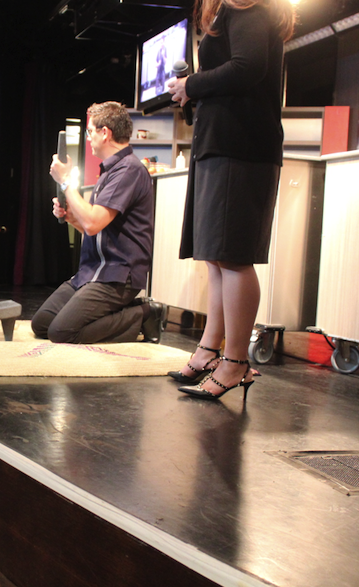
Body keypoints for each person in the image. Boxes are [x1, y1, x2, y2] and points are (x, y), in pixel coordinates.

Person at [167, 0, 294, 400]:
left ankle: (236, 360)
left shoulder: (250, 8)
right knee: (217, 257)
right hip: (221, 144)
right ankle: (210, 349)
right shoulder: (232, 11)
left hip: (241, 147)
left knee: (233, 256)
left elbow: (248, 66)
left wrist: (193, 85)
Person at [30, 102, 166, 345]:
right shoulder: (109, 172)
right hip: (93, 271)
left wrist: (65, 182)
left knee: (62, 332)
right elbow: (93, 227)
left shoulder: (129, 170)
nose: (89, 137)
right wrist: (72, 217)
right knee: (42, 323)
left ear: (105, 132)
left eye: (90, 131)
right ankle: (125, 311)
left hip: (117, 274)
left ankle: (144, 313)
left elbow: (93, 224)